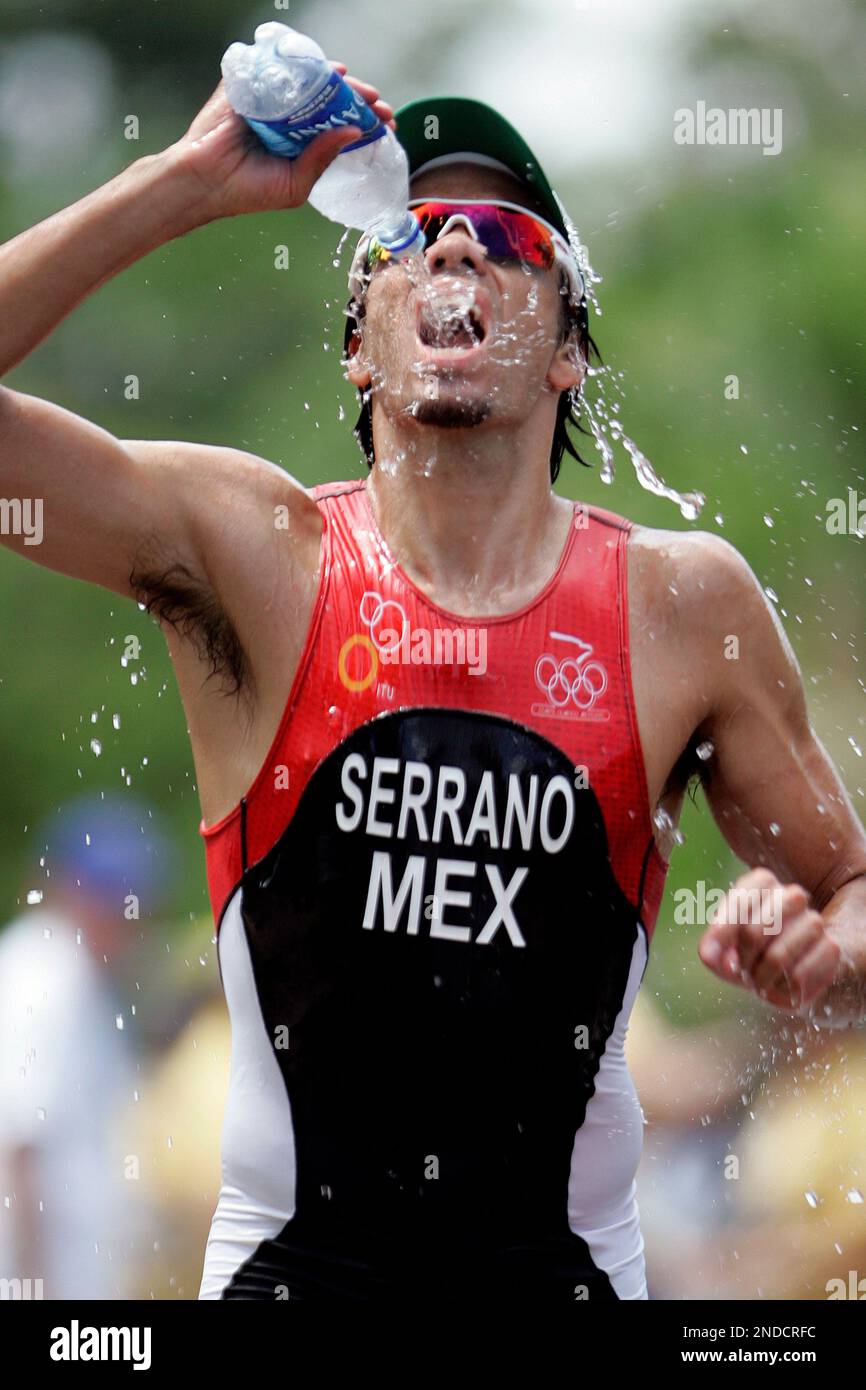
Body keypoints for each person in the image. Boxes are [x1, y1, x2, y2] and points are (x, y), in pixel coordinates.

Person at [0, 59, 864, 1304]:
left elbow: (849, 890)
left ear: (567, 348)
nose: (454, 245)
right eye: (407, 234)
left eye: (505, 236)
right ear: (360, 344)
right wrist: (178, 187)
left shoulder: (681, 607)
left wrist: (815, 949)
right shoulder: (257, 553)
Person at [0, 794, 170, 1298]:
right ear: (64, 891)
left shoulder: (84, 979)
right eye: (111, 900)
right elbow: (20, 1146)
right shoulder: (44, 972)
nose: (128, 919)